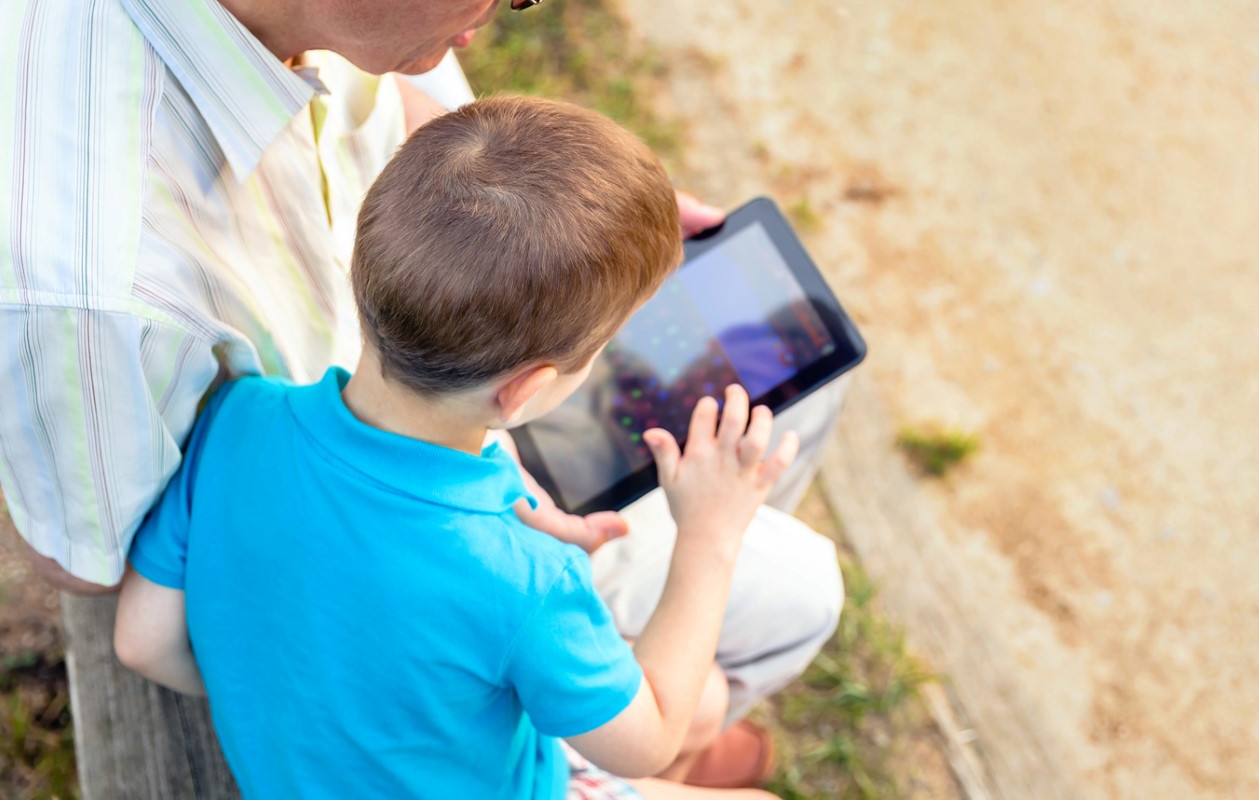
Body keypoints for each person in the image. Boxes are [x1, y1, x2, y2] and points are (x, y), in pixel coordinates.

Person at [0, 0, 844, 783]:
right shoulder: (89, 286)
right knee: (798, 585)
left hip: (391, 415)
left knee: (769, 388)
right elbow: (83, 562)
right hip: (411, 552)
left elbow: (158, 624)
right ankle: (647, 750)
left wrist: (546, 224)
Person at [113, 95, 790, 799]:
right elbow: (647, 742)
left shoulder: (240, 417)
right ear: (527, 391)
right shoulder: (528, 577)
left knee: (703, 698)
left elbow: (142, 643)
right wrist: (710, 533)